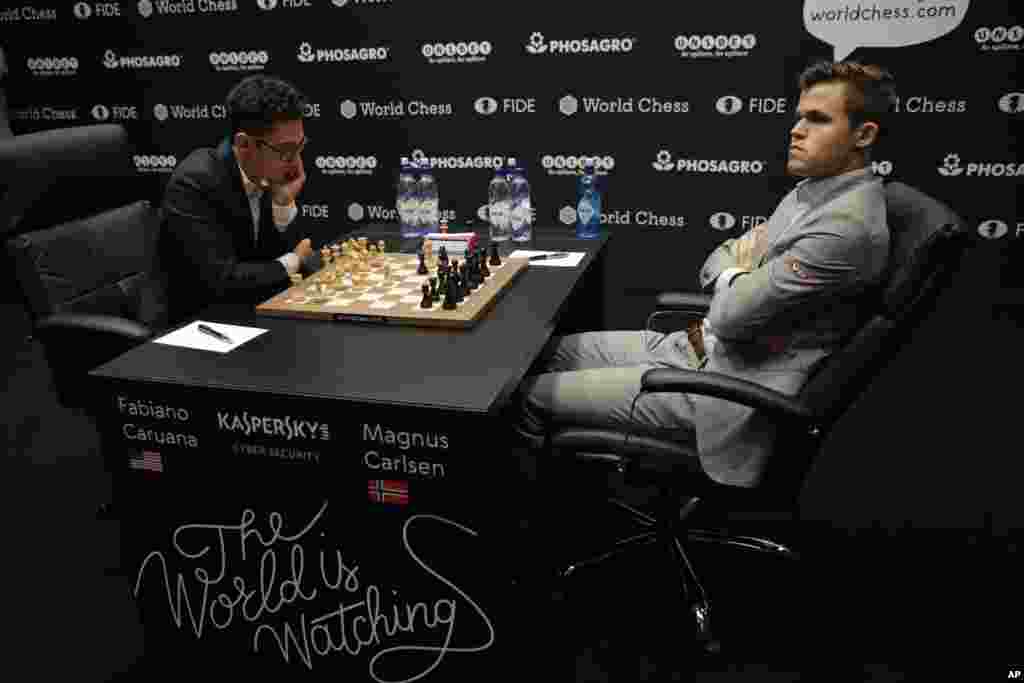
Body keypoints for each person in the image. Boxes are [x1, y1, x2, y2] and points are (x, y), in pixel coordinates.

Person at [515, 60, 896, 488]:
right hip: (699, 347)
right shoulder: (814, 191)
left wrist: (734, 279)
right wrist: (740, 276)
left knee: (528, 396)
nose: (797, 130)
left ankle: (530, 527)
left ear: (863, 135)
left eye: (818, 119)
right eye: (799, 116)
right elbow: (722, 255)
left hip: (726, 388)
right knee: (549, 351)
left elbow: (732, 312)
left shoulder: (845, 227)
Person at [159, 74, 314, 323]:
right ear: (244, 145)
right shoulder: (194, 183)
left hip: (253, 312)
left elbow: (282, 257)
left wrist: (283, 203)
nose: (295, 162)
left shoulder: (266, 174)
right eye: (286, 150)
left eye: (300, 147)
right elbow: (222, 280)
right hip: (204, 328)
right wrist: (293, 261)